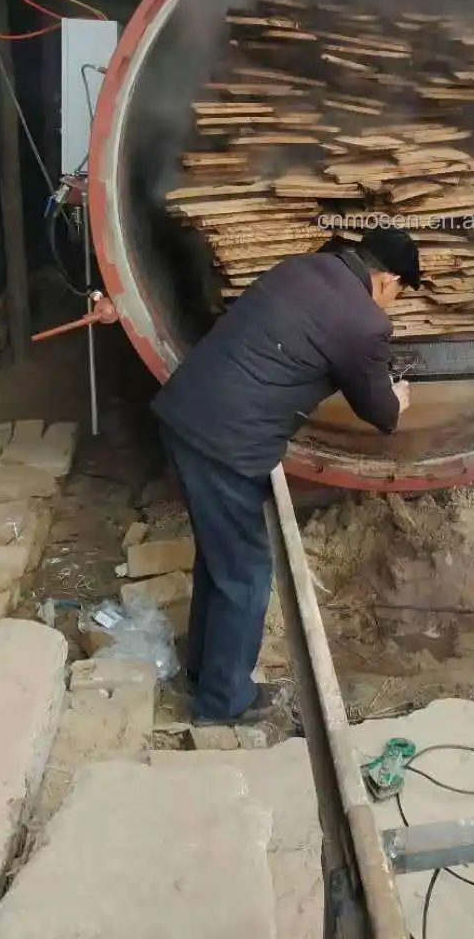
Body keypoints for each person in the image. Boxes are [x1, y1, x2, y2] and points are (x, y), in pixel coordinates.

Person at [151, 226, 421, 726]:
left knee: (222, 559)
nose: (393, 303)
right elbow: (380, 413)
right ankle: (223, 703)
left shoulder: (301, 268)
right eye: (399, 291)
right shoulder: (364, 322)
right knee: (247, 572)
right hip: (226, 442)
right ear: (385, 279)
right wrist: (397, 398)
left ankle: (206, 676)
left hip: (186, 414)